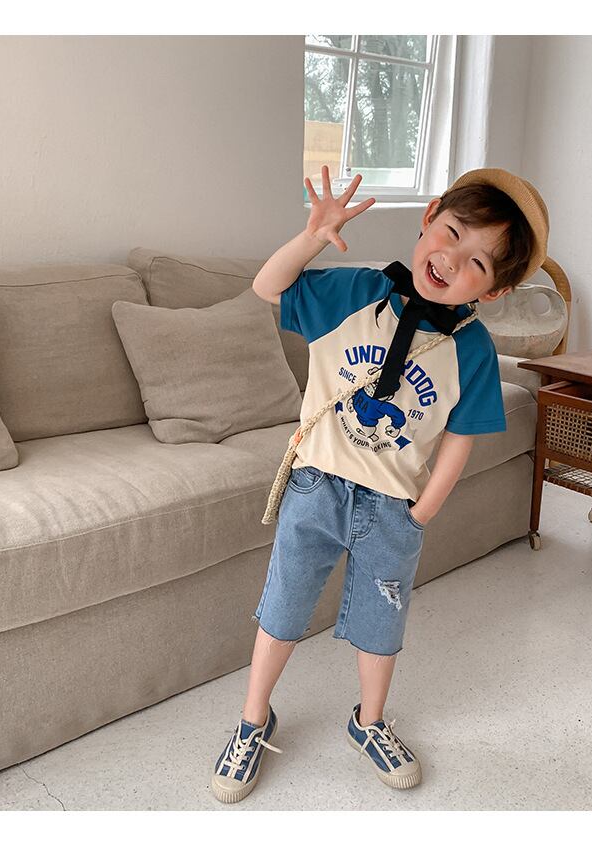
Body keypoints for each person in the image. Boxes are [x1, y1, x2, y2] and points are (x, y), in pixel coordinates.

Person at [211, 165, 550, 803]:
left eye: (478, 262)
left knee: (381, 623)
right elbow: (267, 287)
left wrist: (423, 511)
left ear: (496, 290)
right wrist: (312, 236)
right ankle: (253, 720)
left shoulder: (471, 348)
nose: (452, 259)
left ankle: (369, 722)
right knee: (282, 607)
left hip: (393, 507)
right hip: (316, 485)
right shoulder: (355, 292)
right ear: (429, 217)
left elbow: (462, 434)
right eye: (452, 233)